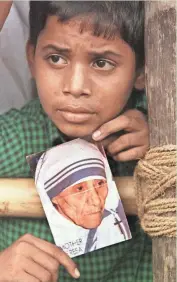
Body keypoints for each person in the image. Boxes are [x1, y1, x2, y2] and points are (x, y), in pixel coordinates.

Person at [0, 1, 151, 282]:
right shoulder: (13, 139)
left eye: (101, 62)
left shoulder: (156, 131)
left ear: (142, 71)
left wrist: (163, 143)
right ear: (31, 58)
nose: (76, 86)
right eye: (56, 58)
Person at [34, 138, 131, 257]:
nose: (96, 201)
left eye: (100, 184)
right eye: (79, 189)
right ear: (54, 197)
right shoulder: (41, 238)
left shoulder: (115, 223)